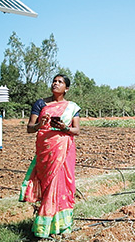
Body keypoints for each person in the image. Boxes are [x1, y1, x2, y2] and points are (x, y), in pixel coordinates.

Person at [19, 74, 81, 238]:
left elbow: (76, 130)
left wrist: (64, 128)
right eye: (54, 81)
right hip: (46, 151)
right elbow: (30, 128)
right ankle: (46, 227)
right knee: (47, 186)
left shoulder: (72, 107)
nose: (56, 83)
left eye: (60, 82)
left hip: (64, 150)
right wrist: (41, 124)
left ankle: (62, 225)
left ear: (66, 88)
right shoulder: (41, 104)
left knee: (61, 185)